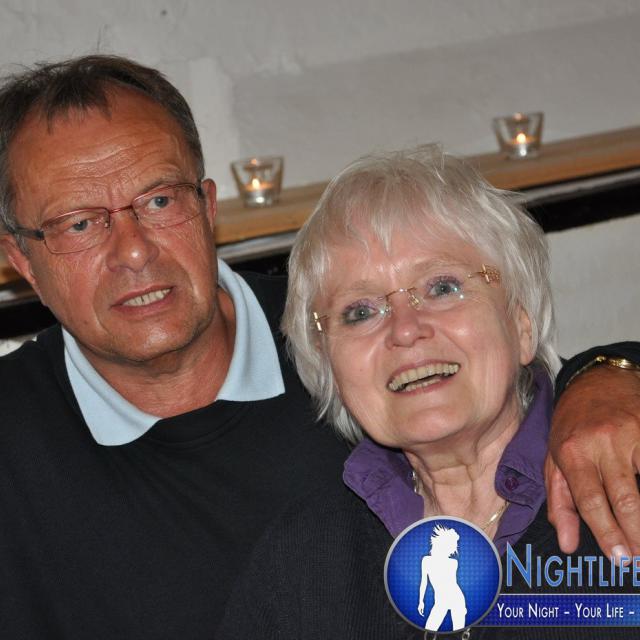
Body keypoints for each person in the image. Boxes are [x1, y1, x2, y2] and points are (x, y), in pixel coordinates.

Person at [0, 55, 637, 637]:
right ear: (21, 261)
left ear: (207, 207)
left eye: (160, 199)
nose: (134, 250)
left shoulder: (330, 330)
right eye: (78, 224)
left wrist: (609, 371)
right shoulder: (312, 538)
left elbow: (514, 375)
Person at [216, 147, 640, 639]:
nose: (405, 329)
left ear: (521, 324)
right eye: (360, 311)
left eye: (442, 287)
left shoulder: (623, 489)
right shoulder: (307, 555)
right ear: (328, 365)